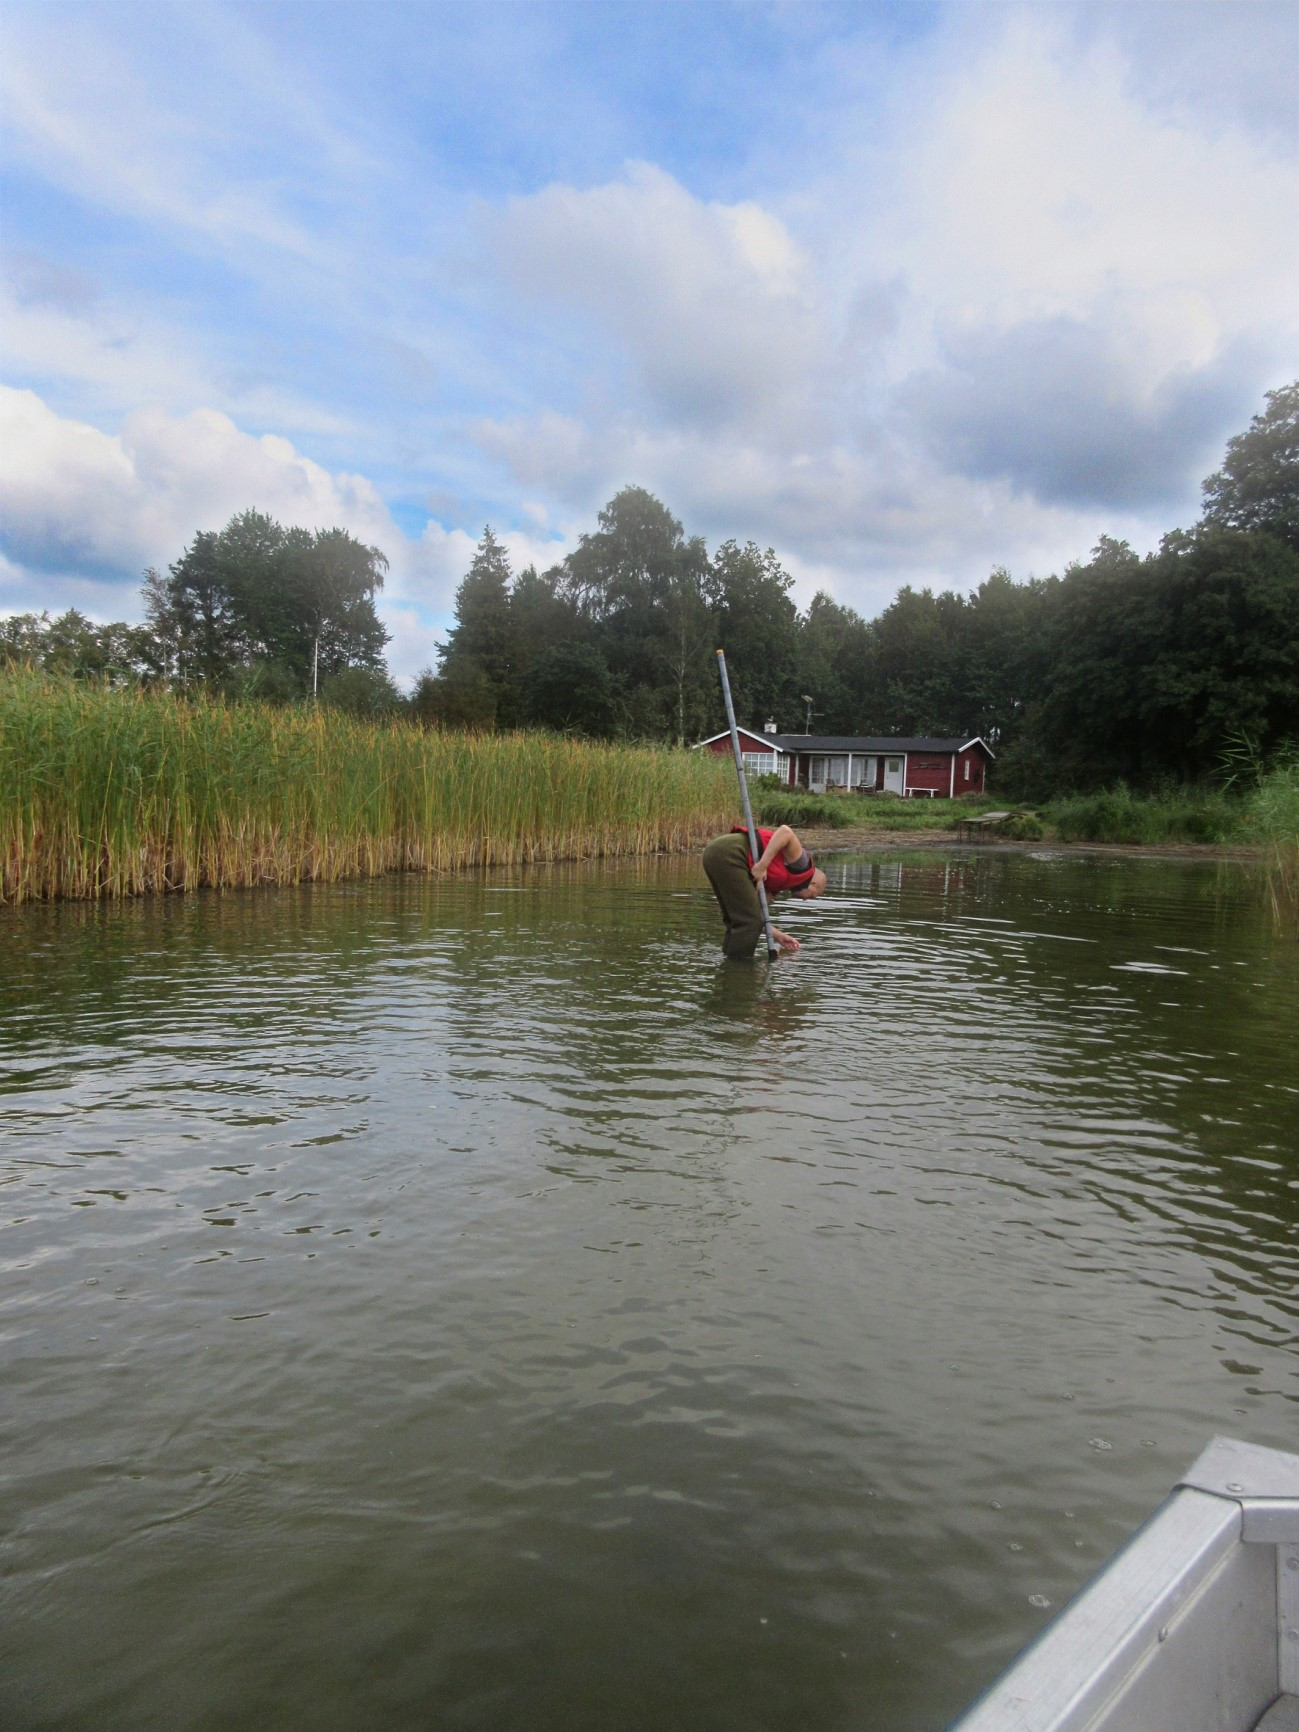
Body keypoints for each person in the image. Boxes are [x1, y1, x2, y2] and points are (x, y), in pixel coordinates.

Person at [702, 822, 827, 957]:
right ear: (813, 884)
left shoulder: (776, 885)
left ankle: (729, 968)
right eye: (813, 896)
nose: (805, 900)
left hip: (715, 854)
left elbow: (756, 917)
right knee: (748, 921)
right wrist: (762, 866)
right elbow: (786, 832)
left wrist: (778, 936)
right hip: (730, 852)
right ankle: (741, 970)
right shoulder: (802, 865)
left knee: (738, 920)